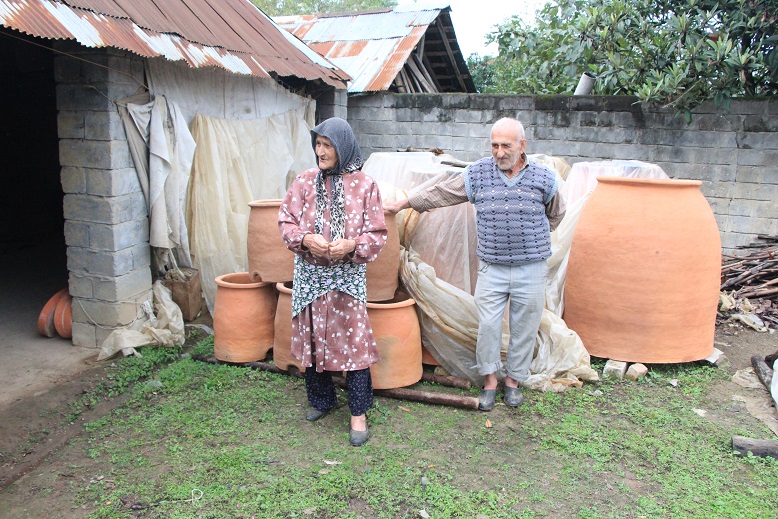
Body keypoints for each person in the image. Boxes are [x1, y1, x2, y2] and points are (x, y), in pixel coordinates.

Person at [384, 118, 565, 411]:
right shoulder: (478, 173)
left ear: (522, 146)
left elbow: (556, 214)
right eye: (494, 145)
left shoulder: (544, 178)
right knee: (489, 326)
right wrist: (402, 204)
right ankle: (491, 381)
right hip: (492, 267)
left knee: (524, 326)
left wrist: (528, 237)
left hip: (531, 267)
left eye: (506, 145)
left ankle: (514, 382)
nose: (499, 152)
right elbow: (441, 193)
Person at [278, 117, 387, 446]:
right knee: (312, 337)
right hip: (310, 276)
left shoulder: (365, 185)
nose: (320, 151)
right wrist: (305, 239)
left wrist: (352, 245)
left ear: (343, 147)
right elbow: (285, 222)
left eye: (327, 145)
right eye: (318, 144)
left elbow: (377, 233)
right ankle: (322, 400)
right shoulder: (303, 181)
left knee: (353, 343)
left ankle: (358, 412)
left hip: (347, 277)